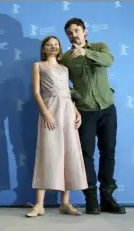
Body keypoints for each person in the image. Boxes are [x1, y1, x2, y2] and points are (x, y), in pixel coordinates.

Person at [61, 18, 126, 215]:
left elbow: (109, 61)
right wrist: (76, 95)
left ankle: (107, 197)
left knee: (108, 152)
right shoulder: (66, 58)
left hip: (107, 108)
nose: (74, 35)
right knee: (86, 154)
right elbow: (62, 85)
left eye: (76, 30)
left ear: (85, 31)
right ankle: (91, 199)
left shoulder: (100, 47)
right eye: (70, 33)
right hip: (85, 112)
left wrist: (87, 53)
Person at [25, 36, 88, 218]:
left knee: (68, 152)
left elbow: (67, 93)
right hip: (50, 110)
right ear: (43, 49)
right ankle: (39, 205)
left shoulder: (64, 68)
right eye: (48, 44)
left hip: (68, 111)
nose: (53, 46)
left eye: (56, 44)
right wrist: (45, 113)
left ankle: (65, 203)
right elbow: (36, 92)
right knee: (47, 153)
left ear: (59, 48)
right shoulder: (39, 66)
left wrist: (76, 112)